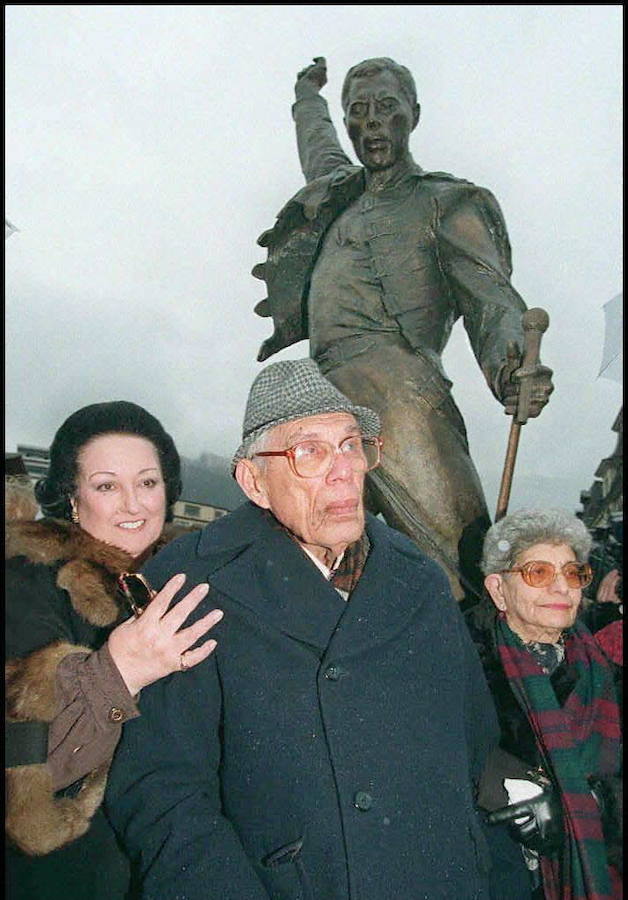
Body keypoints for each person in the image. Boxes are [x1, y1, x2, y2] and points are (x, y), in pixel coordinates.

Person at [106, 357, 513, 899]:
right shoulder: (188, 585)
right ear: (255, 481)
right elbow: (162, 793)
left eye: (350, 444)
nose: (343, 469)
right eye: (310, 452)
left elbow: (475, 747)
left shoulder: (421, 580)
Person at [252, 56, 554, 602]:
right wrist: (306, 96)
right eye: (357, 112)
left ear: (413, 114)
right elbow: (315, 143)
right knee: (318, 557)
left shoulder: (446, 202)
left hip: (400, 392)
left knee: (458, 564)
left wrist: (514, 366)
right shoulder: (339, 192)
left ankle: (486, 671)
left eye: (386, 108)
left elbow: (492, 298)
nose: (370, 123)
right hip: (320, 396)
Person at [5, 401, 223, 900]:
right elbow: (25, 794)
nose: (134, 504)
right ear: (72, 498)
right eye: (107, 485)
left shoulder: (191, 582)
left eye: (148, 482)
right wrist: (118, 672)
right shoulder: (27, 584)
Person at [467, 508, 622, 898]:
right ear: (498, 590)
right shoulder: (460, 667)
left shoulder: (608, 672)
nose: (561, 588)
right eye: (538, 573)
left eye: (572, 574)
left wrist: (595, 804)